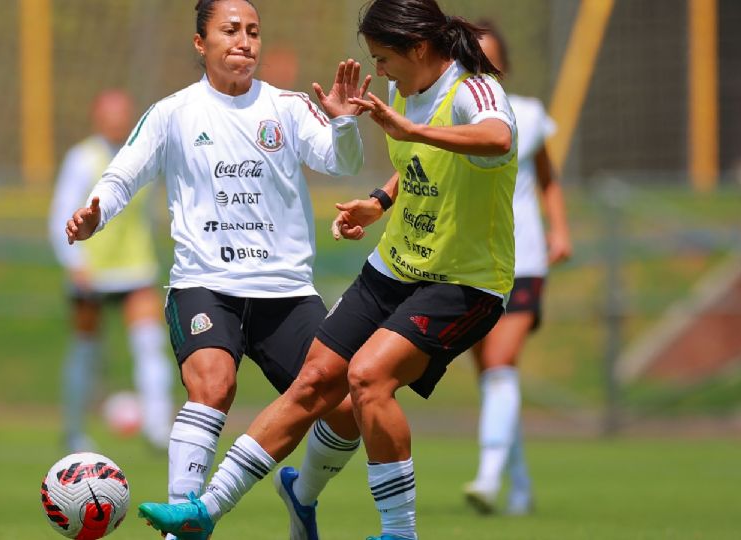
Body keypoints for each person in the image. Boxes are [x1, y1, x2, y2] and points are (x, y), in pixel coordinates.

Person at [135, 1, 517, 539]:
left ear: (420, 48)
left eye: (384, 59)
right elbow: (420, 168)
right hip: (394, 266)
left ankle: (399, 533)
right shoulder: (401, 94)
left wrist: (410, 131)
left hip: (465, 280)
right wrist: (378, 203)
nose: (379, 72)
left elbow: (497, 138)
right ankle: (207, 511)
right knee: (316, 382)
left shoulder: (474, 91)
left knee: (368, 378)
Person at [64, 1, 371, 538]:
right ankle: (181, 522)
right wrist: (96, 213)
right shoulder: (173, 112)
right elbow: (122, 175)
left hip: (286, 291)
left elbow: (339, 161)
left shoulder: (289, 107)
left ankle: (302, 495)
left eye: (253, 31)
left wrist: (344, 124)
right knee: (213, 383)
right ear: (200, 43)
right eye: (230, 30)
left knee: (346, 408)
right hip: (205, 286)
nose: (244, 41)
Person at [459, 21, 572, 516]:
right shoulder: (449, 115)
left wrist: (559, 230)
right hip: (470, 263)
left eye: (490, 59)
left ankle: (487, 477)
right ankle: (520, 486)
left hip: (522, 258)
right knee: (492, 377)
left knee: (501, 364)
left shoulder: (525, 114)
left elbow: (548, 180)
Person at [49, 89, 173, 453]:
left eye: (124, 112)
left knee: (150, 344)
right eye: (110, 113)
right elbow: (59, 213)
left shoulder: (143, 155)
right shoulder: (82, 158)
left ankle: (157, 427)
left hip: (135, 268)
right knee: (85, 350)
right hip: (93, 270)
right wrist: (75, 263)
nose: (118, 119)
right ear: (97, 117)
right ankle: (73, 432)